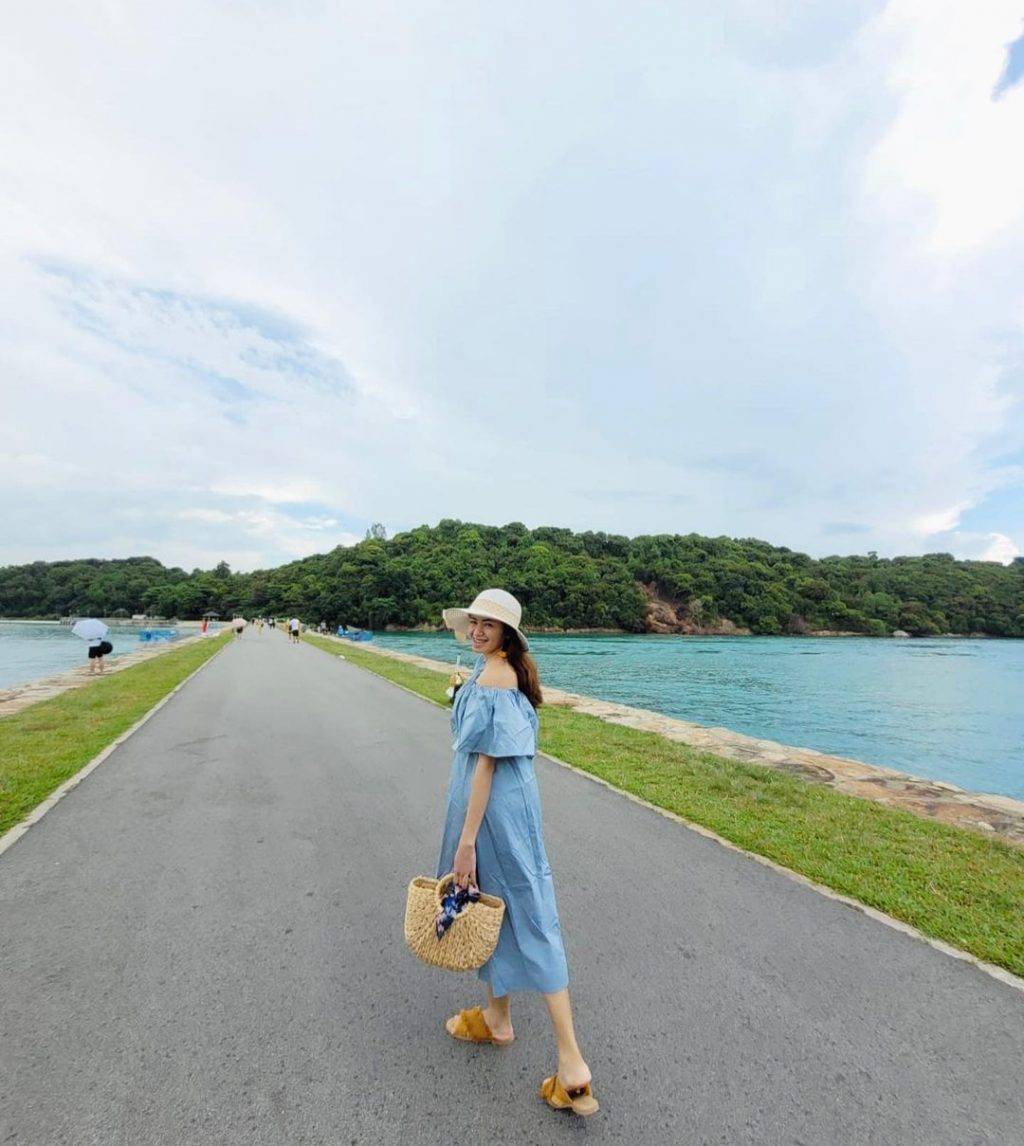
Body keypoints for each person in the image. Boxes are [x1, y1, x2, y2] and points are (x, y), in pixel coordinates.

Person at [436, 589, 598, 1117]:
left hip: (491, 818)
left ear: (508, 634)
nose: (479, 630)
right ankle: (497, 1018)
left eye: (490, 625)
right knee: (500, 910)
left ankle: (572, 1065)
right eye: (475, 622)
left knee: (530, 918)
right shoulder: (499, 673)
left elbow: (485, 766)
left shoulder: (497, 677)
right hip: (504, 812)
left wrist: (465, 843)